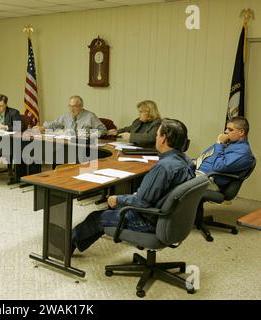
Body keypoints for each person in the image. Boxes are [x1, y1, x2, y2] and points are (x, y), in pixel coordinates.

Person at [70, 118, 195, 255]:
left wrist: (118, 199)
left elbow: (142, 203)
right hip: (168, 217)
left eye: (157, 135)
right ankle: (76, 242)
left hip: (148, 220)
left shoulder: (163, 168)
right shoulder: (186, 161)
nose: (156, 138)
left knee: (96, 217)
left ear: (163, 138)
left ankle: (66, 246)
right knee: (106, 211)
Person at [195, 117, 255, 190]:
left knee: (179, 179)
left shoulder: (243, 152)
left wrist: (219, 143)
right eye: (226, 128)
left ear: (241, 132)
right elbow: (205, 156)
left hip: (208, 179)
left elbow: (218, 166)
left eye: (230, 129)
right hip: (198, 172)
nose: (226, 131)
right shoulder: (230, 143)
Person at [33, 95, 107, 138]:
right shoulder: (66, 116)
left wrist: (89, 135)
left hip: (84, 146)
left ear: (81, 106)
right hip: (67, 145)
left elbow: (103, 130)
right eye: (70, 106)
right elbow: (55, 123)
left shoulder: (90, 116)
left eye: (74, 106)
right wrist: (42, 127)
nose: (71, 109)